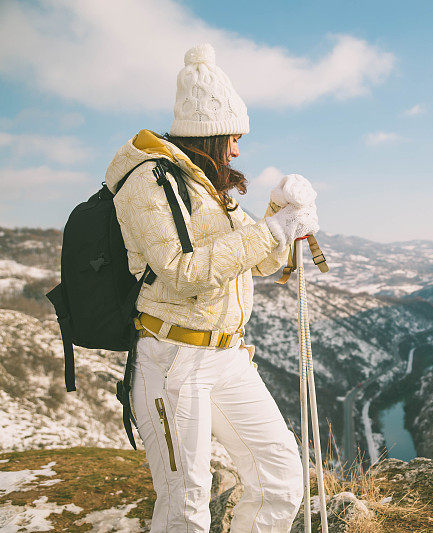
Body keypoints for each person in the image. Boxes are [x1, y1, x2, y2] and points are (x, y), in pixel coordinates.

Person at [105, 43, 316, 532]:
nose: (238, 149)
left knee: (282, 478)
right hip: (172, 360)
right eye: (234, 138)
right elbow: (182, 273)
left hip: (226, 356)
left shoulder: (206, 187)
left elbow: (260, 261)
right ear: (211, 134)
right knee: (185, 506)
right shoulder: (148, 182)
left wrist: (278, 215)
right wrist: (273, 229)